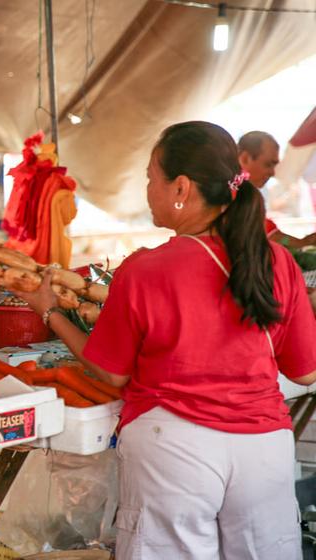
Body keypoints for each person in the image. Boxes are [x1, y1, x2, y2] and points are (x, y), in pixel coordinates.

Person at [19, 121, 316, 559]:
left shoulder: (144, 269)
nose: (148, 190)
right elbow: (305, 370)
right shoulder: (276, 259)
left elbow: (111, 371)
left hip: (175, 447)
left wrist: (49, 312)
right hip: (263, 449)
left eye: (149, 178)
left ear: (180, 186)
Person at [239, 130, 316, 247]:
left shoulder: (247, 194)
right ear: (245, 159)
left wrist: (303, 242)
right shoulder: (229, 192)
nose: (272, 173)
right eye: (268, 164)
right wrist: (302, 243)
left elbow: (269, 232)